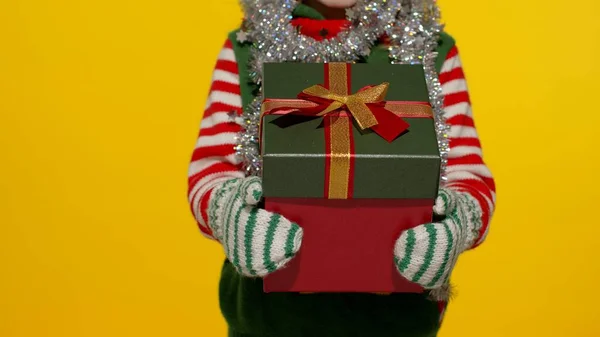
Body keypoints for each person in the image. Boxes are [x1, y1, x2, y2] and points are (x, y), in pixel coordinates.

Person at [187, 1, 496, 336]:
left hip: (395, 322)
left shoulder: (430, 49)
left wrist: (457, 221)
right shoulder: (246, 48)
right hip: (267, 321)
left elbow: (469, 178)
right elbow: (211, 172)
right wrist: (230, 212)